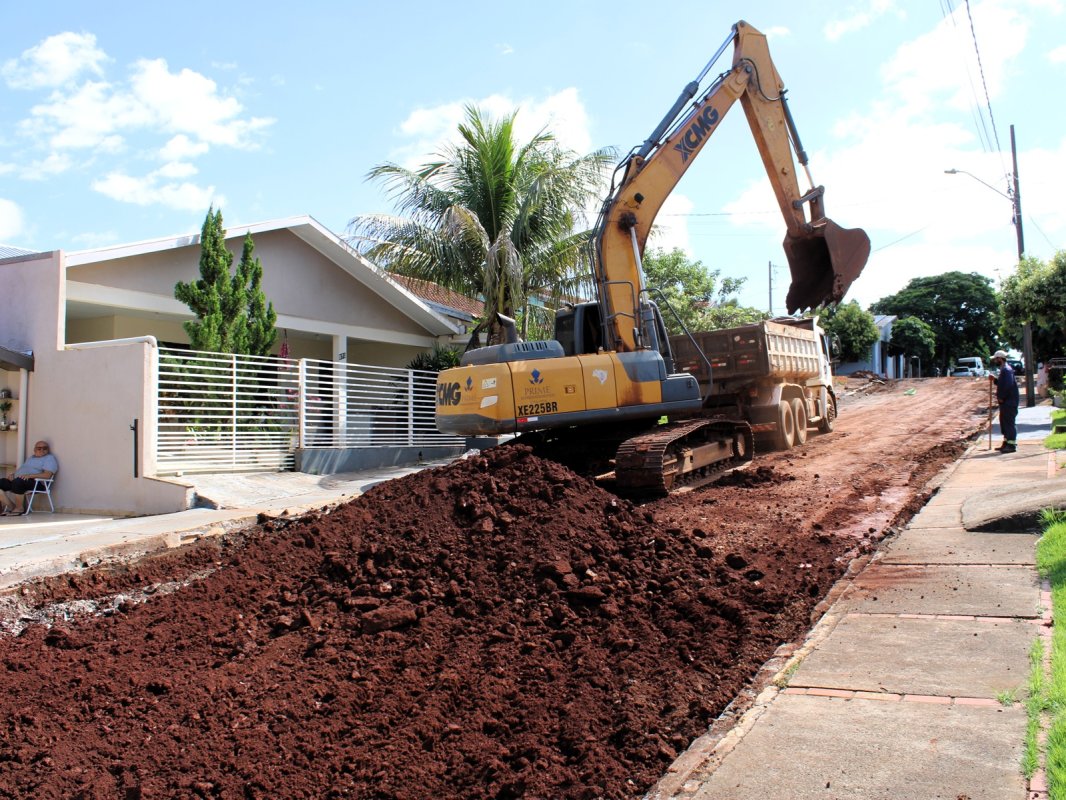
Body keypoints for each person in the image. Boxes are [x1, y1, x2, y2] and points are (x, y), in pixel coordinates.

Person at [0, 440, 58, 515]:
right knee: (2, 482)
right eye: (39, 448)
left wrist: (30, 476)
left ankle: (19, 508)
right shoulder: (31, 458)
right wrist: (13, 475)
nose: (42, 450)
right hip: (20, 479)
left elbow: (47, 475)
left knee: (18, 482)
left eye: (45, 448)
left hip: (36, 483)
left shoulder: (49, 458)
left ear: (48, 450)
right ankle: (11, 506)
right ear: (34, 450)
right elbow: (24, 470)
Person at [990, 350, 1019, 453]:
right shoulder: (1004, 369)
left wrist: (1001, 396)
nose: (994, 361)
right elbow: (1002, 383)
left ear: (1000, 359)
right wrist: (995, 380)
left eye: (996, 359)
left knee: (1009, 423)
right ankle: (1006, 443)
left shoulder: (1006, 370)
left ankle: (1011, 445)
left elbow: (1007, 385)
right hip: (1006, 402)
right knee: (1004, 423)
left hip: (1009, 402)